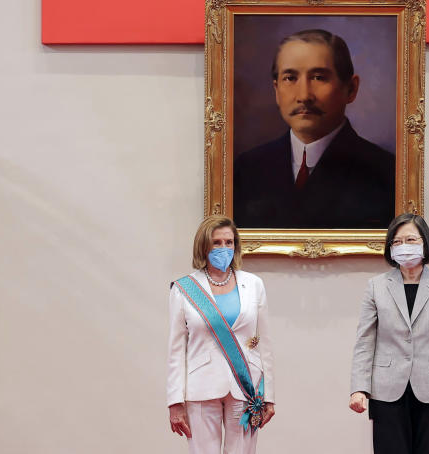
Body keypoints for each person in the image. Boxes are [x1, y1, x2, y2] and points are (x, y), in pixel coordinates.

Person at [233, 28, 395, 229]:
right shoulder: (246, 170)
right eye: (290, 78)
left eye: (319, 77)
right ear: (276, 90)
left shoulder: (386, 174)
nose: (304, 95)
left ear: (351, 89)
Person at [349, 213, 429, 454]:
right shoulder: (376, 286)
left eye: (411, 240)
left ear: (425, 243)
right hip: (387, 390)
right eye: (397, 242)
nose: (404, 247)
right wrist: (359, 388)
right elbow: (365, 342)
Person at [167, 215, 275, 453]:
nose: (224, 248)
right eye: (217, 243)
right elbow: (176, 351)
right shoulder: (184, 289)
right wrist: (175, 401)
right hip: (201, 387)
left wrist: (270, 395)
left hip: (246, 386)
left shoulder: (254, 284)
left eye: (229, 242)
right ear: (204, 245)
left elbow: (264, 343)